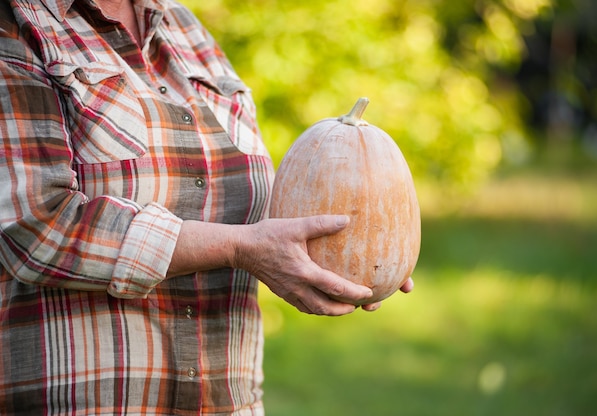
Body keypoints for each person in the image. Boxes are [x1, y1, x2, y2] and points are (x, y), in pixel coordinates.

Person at [0, 0, 413, 414]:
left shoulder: (182, 26)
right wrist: (239, 247)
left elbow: (243, 200)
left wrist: (361, 240)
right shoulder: (18, 26)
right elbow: (38, 225)